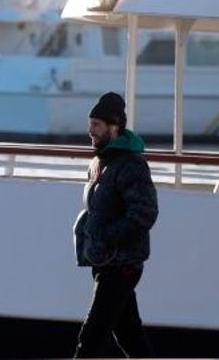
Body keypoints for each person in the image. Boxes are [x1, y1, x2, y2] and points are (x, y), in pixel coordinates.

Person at [72, 91, 157, 358]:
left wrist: (107, 239)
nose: (90, 132)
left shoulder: (131, 165)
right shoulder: (99, 162)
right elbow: (96, 209)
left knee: (92, 334)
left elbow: (144, 213)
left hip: (122, 264)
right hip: (104, 261)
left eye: (96, 125)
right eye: (90, 125)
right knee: (129, 336)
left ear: (115, 126)